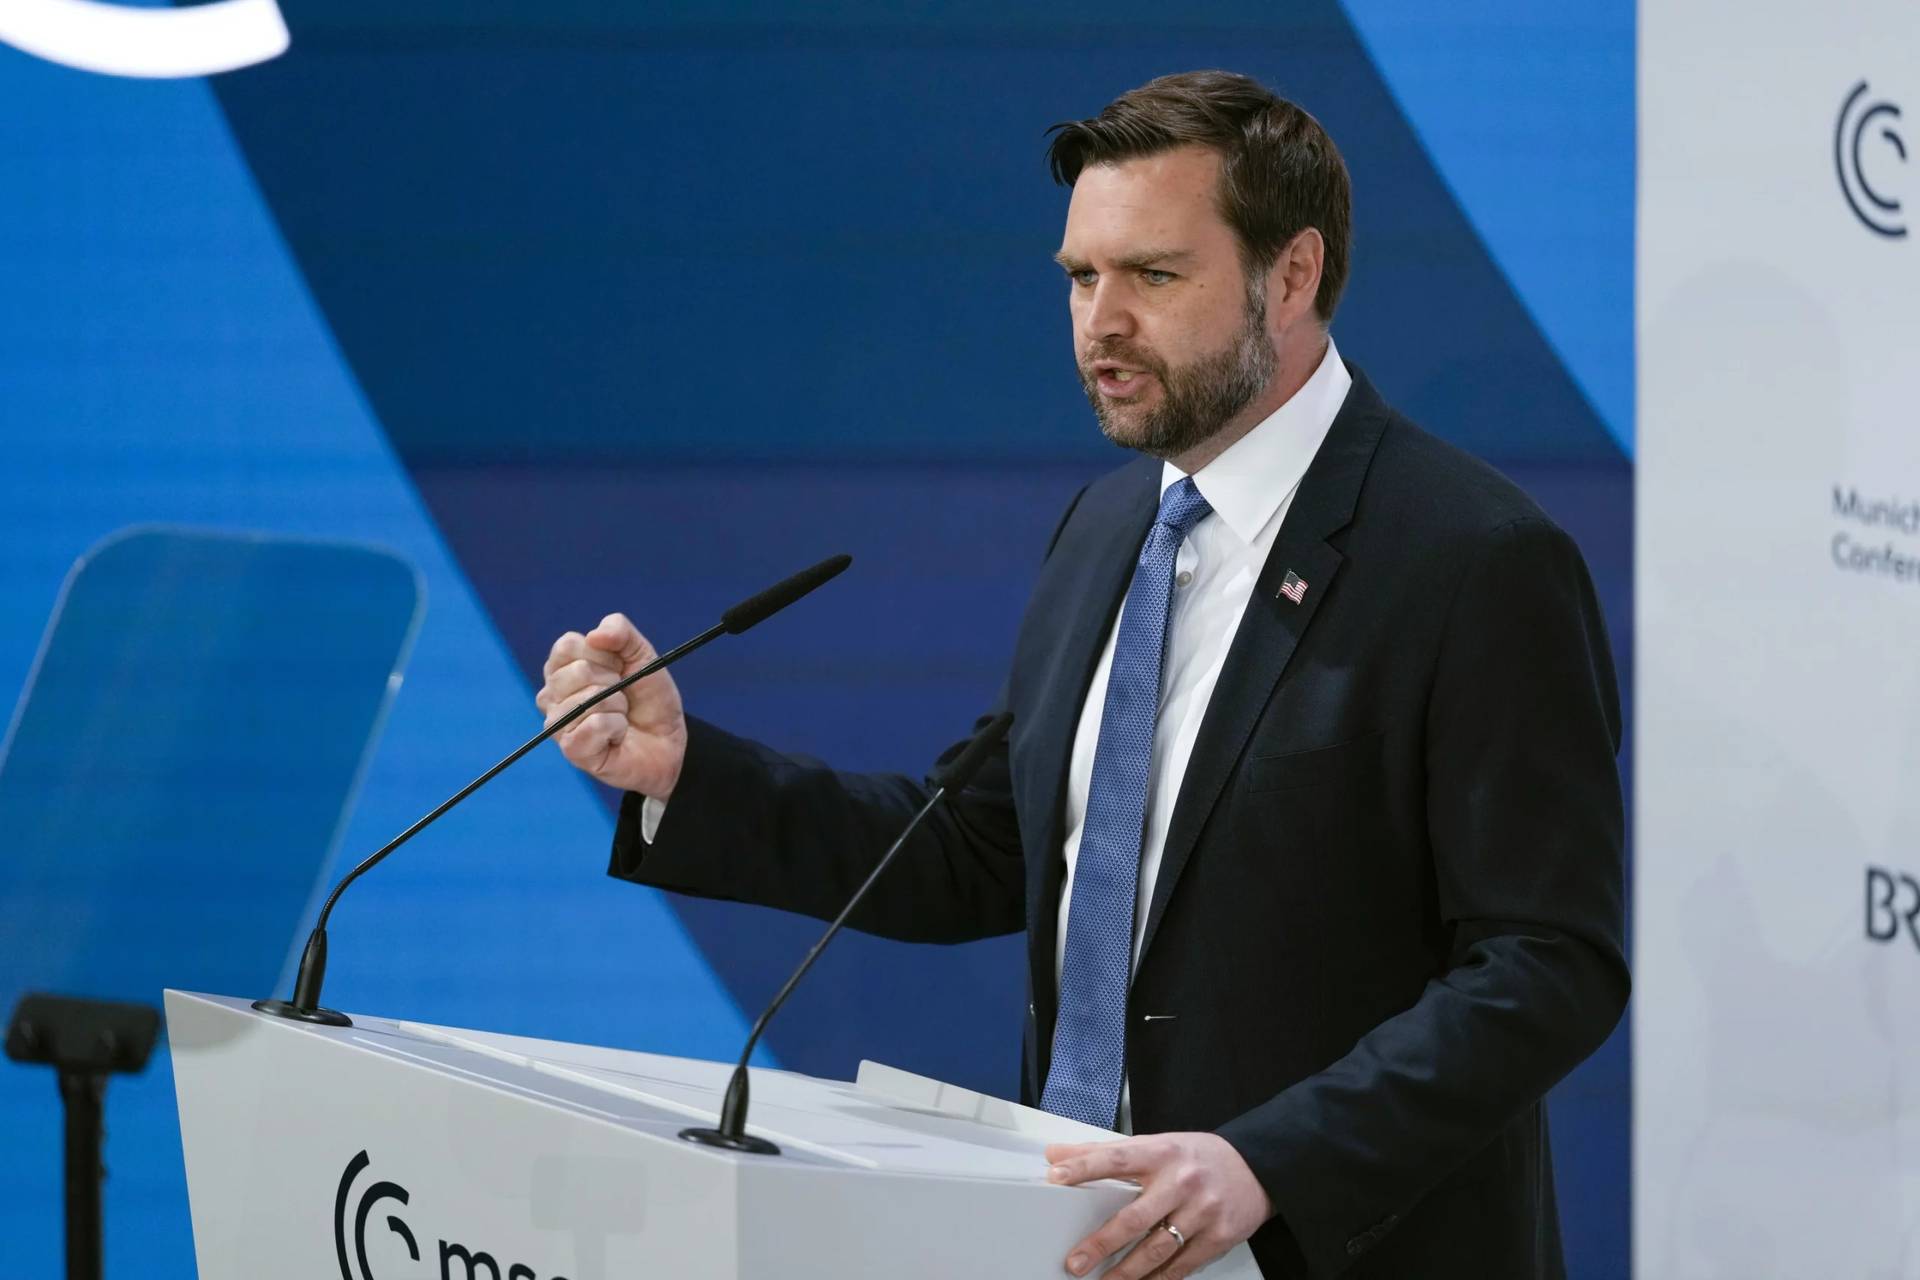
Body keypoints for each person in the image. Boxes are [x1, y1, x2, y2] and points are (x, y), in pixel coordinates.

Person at [535, 70, 1627, 1280]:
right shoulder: (1108, 529)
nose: (1099, 322)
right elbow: (985, 846)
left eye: (1153, 276)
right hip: (1081, 1240)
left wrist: (1271, 1159)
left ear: (1295, 273)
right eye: (1078, 277)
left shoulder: (1472, 556)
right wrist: (688, 773)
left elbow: (1549, 961)